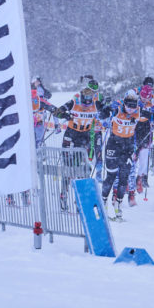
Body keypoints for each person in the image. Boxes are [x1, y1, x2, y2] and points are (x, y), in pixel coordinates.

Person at [54, 82, 107, 211]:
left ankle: (80, 199)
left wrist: (106, 110)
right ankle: (64, 195)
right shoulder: (74, 102)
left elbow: (106, 113)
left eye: (88, 104)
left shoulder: (96, 103)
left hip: (85, 136)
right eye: (84, 103)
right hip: (71, 136)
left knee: (83, 169)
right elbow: (57, 112)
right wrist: (65, 115)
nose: (85, 106)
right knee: (68, 168)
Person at [99, 90, 140, 220]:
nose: (131, 110)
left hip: (127, 148)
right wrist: (105, 107)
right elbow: (102, 114)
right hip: (113, 145)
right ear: (124, 103)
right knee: (111, 176)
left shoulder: (138, 110)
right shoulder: (117, 109)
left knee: (124, 179)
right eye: (129, 106)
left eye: (134, 107)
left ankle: (118, 206)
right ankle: (103, 204)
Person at [131, 85, 154, 204]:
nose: (144, 99)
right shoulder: (135, 102)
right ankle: (130, 182)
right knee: (132, 158)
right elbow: (133, 115)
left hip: (146, 132)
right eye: (143, 97)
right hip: (135, 132)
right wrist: (143, 111)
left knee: (144, 160)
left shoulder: (151, 104)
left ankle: (139, 179)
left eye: (147, 97)